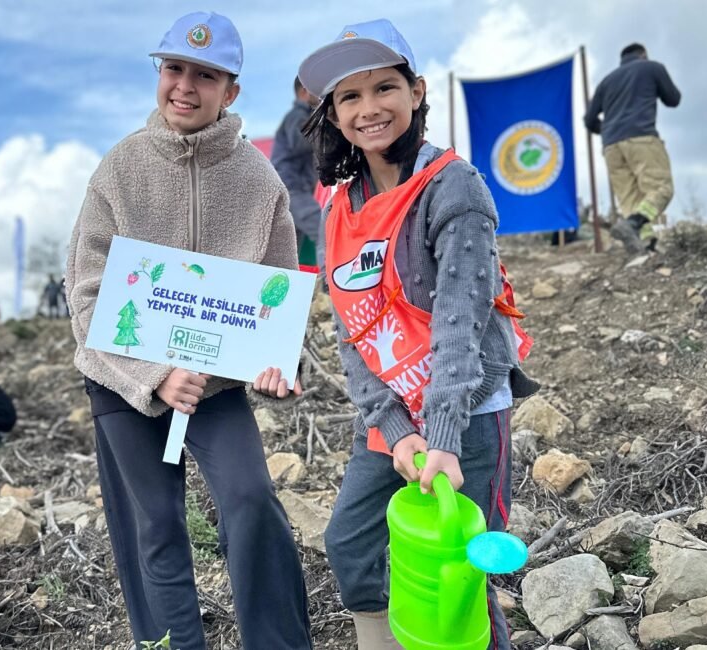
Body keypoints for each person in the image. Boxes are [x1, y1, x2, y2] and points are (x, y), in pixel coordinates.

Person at [64, 12, 313, 650]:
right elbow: (87, 292)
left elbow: (278, 290)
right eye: (174, 68)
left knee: (251, 499)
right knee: (155, 527)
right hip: (122, 383)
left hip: (214, 386)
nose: (184, 86)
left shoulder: (260, 181)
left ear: (231, 91)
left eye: (205, 75)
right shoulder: (119, 168)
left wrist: (280, 362)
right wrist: (152, 376)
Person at [299, 19, 538, 649]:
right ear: (334, 113)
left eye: (384, 87)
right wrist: (396, 427)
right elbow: (351, 332)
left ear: (417, 91)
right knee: (350, 543)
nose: (368, 109)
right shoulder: (337, 207)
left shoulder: (453, 186)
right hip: (390, 414)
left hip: (466, 411)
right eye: (349, 96)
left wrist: (441, 438)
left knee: (462, 575)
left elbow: (462, 324)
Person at [585, 43, 681, 253]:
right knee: (661, 189)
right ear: (643, 54)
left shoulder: (605, 82)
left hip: (611, 146)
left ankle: (645, 245)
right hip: (641, 137)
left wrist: (608, 129)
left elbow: (589, 120)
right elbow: (673, 99)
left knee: (630, 199)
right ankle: (634, 223)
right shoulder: (652, 67)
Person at [271, 76, 321, 268]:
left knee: (291, 251)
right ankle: (332, 282)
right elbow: (300, 144)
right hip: (292, 188)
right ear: (304, 91)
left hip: (293, 188)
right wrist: (326, 129)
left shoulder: (304, 117)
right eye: (316, 89)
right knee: (325, 232)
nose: (321, 94)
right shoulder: (297, 116)